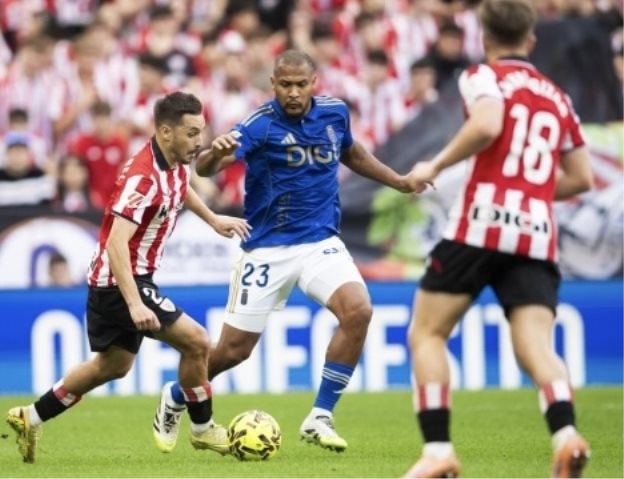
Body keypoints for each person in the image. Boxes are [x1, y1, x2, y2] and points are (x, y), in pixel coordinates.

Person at [152, 49, 424, 454]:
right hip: (267, 249)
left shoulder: (335, 113)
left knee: (359, 311)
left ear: (314, 83)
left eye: (300, 85)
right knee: (233, 352)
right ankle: (177, 394)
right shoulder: (259, 125)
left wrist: (399, 181)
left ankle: (320, 416)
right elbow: (205, 168)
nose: (293, 93)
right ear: (273, 85)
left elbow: (352, 153)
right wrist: (216, 153)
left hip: (320, 242)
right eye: (285, 85)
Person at [402, 0, 594, 477]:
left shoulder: (483, 76)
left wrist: (435, 164)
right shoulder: (558, 97)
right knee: (536, 346)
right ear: (531, 39)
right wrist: (528, 190)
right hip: (535, 233)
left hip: (480, 222)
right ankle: (566, 435)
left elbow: (488, 123)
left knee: (427, 333)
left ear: (485, 38)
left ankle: (438, 451)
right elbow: (582, 178)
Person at [6, 91, 250, 464]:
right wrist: (135, 302)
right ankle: (202, 429)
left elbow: (181, 189)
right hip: (121, 282)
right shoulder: (143, 178)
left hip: (122, 279)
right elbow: (116, 243)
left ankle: (32, 416)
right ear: (166, 132)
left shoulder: (173, 161)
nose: (198, 141)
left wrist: (213, 219)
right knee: (197, 342)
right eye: (191, 133)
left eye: (200, 131)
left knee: (113, 366)